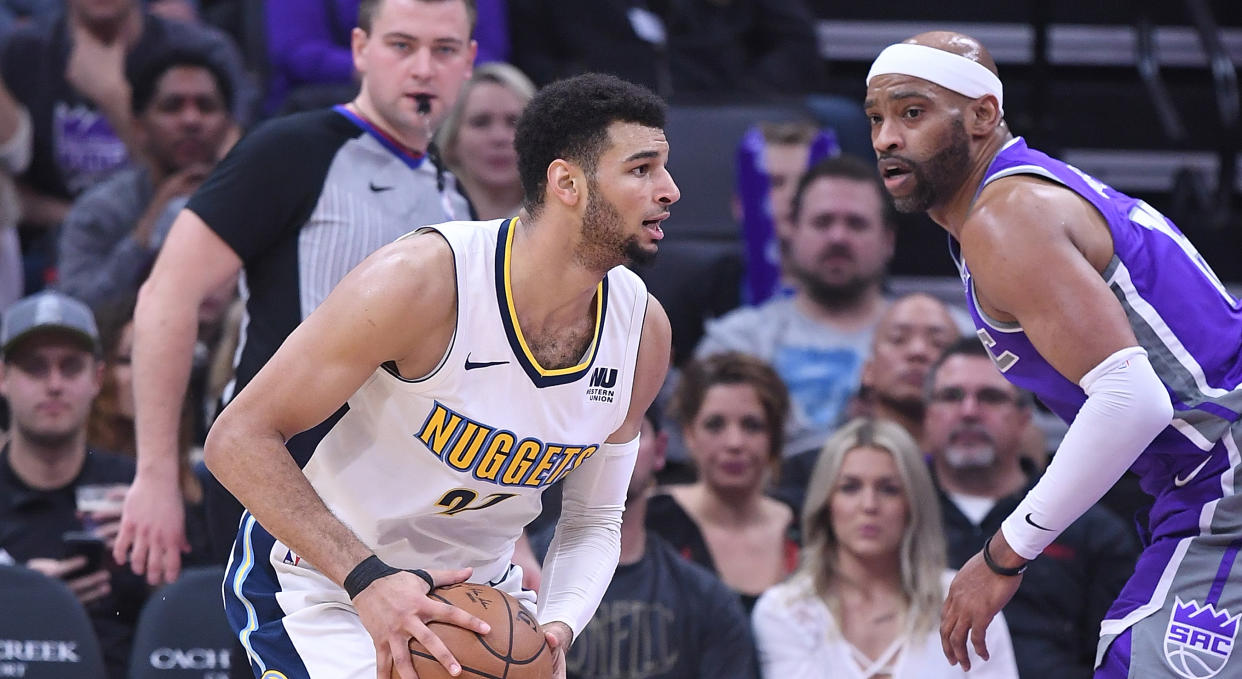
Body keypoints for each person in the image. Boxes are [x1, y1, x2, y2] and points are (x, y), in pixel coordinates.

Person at [202, 71, 675, 679]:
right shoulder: (423, 281)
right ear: (567, 183)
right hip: (328, 582)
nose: (670, 189)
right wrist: (368, 580)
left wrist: (556, 628)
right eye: (642, 169)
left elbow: (592, 520)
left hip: (479, 596)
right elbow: (236, 440)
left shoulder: (642, 333)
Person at [864, 31, 1240, 677]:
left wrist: (1004, 553)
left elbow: (1132, 399)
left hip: (1224, 471)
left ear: (983, 115)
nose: (886, 138)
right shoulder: (1022, 198)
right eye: (876, 118)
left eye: (912, 111)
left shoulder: (1006, 216)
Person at [114, 0, 477, 588]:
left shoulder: (455, 198)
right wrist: (154, 473)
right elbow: (165, 295)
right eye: (402, 46)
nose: (422, 69)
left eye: (444, 50)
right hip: (281, 476)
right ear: (360, 49)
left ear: (469, 62)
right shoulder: (292, 150)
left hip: (403, 496)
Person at [924, 338, 1138, 678]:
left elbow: (1120, 656)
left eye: (990, 398)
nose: (968, 411)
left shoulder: (1089, 528)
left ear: (1025, 417)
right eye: (951, 396)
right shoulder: (896, 513)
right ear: (927, 416)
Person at [751, 417, 1018, 678]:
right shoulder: (782, 611)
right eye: (850, 487)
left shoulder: (968, 599)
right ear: (826, 503)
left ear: (913, 504)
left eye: (889, 489)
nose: (869, 505)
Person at [530, 406, 759, 679]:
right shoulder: (518, 573)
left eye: (632, 434)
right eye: (600, 431)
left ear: (661, 450)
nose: (614, 449)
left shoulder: (708, 600)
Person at [696, 155, 896, 455]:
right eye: (822, 221)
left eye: (856, 224)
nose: (838, 237)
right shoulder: (734, 342)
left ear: (888, 240)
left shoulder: (937, 338)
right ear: (792, 228)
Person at [0, 290, 149, 679]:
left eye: (70, 367)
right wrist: (19, 593)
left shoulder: (140, 489)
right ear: (3, 377)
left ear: (97, 377)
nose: (54, 384)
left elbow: (196, 609)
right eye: (34, 367)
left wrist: (155, 560)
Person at [56, 47, 235, 311]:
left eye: (206, 106)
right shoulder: (100, 209)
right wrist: (147, 230)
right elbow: (77, 308)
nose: (191, 120)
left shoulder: (254, 202)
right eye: (172, 107)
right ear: (139, 127)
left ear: (228, 124)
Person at [775, 291, 961, 514]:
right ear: (867, 371)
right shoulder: (808, 470)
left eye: (937, 343)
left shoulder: (978, 469)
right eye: (898, 339)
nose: (917, 352)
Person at [649, 351, 797, 612]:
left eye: (752, 426)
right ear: (689, 435)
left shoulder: (805, 526)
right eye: (715, 425)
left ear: (774, 437)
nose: (734, 443)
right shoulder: (653, 521)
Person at [508, 0, 822, 98]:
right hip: (601, 119)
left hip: (725, 111)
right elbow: (534, 62)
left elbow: (796, 44)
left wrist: (739, 96)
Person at [436, 61, 535, 220]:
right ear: (452, 141)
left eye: (514, 122)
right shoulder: (421, 216)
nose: (499, 137)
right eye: (481, 122)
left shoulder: (569, 225)